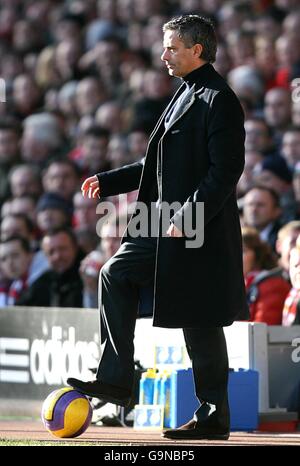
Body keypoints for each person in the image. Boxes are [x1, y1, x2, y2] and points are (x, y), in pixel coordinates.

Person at [67, 15, 248, 441]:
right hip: (162, 226)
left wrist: (189, 216)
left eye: (171, 47)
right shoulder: (187, 92)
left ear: (196, 50)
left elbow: (226, 171)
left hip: (196, 230)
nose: (163, 54)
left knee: (200, 323)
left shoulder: (218, 98)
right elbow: (159, 164)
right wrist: (111, 181)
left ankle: (214, 416)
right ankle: (114, 378)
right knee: (115, 272)